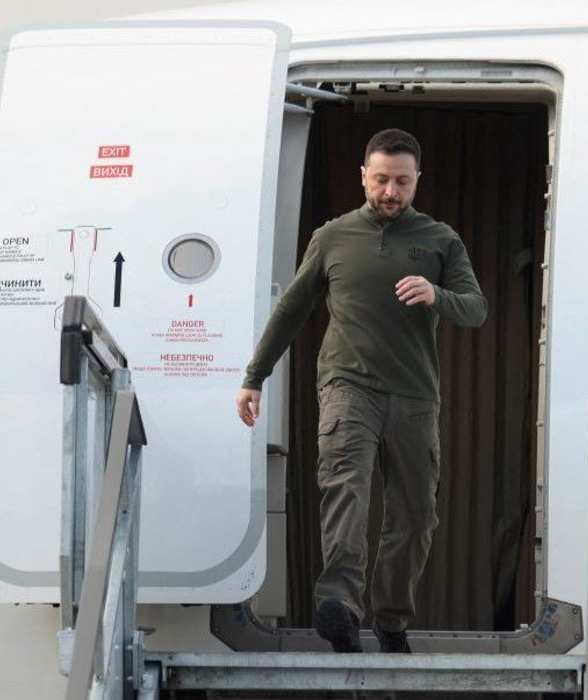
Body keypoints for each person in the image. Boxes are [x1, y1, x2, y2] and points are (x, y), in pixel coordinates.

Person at [234, 128, 487, 653]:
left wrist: (435, 293)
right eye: (380, 180)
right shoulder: (333, 237)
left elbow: (475, 308)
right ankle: (341, 608)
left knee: (415, 515)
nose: (390, 192)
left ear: (418, 180)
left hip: (416, 396)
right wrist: (254, 377)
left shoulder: (441, 239)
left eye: (401, 182)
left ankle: (391, 620)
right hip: (348, 387)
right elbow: (292, 309)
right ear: (363, 176)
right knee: (346, 490)